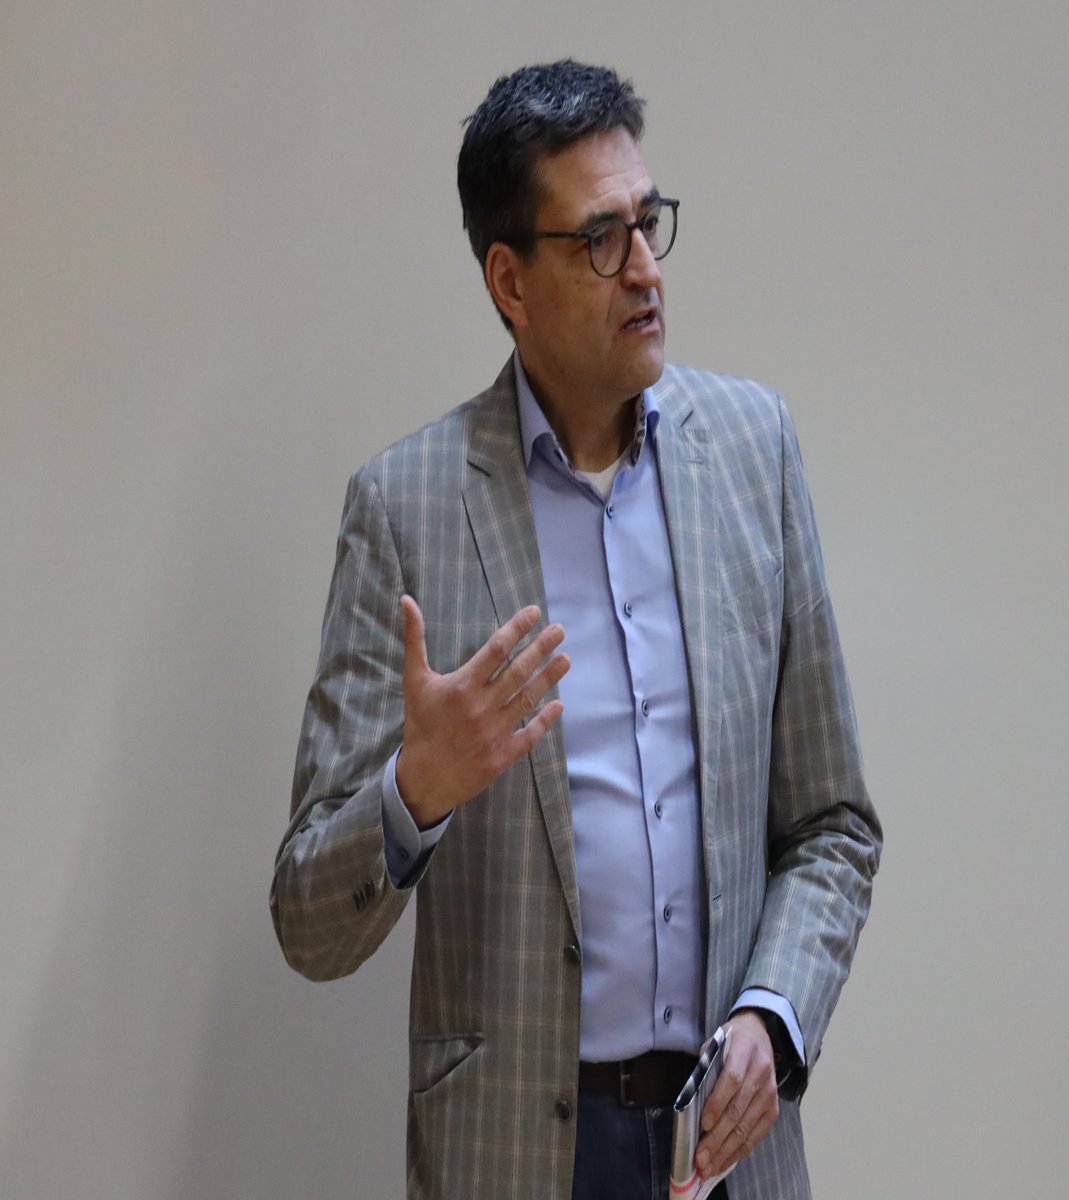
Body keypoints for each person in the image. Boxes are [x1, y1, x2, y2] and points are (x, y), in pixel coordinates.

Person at [271, 59, 881, 1200]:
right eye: (600, 239)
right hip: (513, 1152)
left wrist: (775, 1013)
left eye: (648, 223)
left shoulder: (752, 453)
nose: (644, 268)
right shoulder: (406, 509)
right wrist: (418, 788)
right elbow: (308, 918)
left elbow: (832, 824)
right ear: (510, 279)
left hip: (727, 1146)